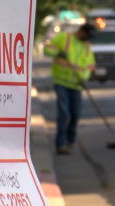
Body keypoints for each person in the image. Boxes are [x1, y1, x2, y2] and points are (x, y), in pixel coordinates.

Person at [44, 23, 96, 154]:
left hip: (77, 85)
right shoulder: (64, 38)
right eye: (87, 35)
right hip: (61, 82)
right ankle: (61, 144)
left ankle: (70, 142)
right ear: (81, 31)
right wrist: (57, 52)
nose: (88, 38)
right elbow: (47, 50)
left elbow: (90, 66)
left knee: (75, 114)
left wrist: (83, 77)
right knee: (64, 113)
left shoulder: (86, 46)